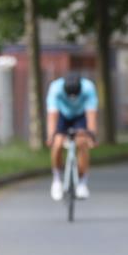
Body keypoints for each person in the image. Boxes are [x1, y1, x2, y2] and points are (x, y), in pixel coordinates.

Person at [45, 71, 98, 200]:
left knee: (82, 143)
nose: (73, 98)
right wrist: (51, 136)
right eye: (70, 96)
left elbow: (91, 115)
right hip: (62, 115)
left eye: (76, 96)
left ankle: (82, 183)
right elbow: (52, 116)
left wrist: (92, 135)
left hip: (80, 115)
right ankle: (57, 180)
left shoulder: (88, 88)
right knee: (57, 144)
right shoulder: (55, 89)